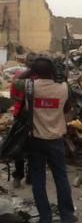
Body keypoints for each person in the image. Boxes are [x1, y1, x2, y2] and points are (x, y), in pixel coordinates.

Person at [15, 57, 77, 223]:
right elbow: (67, 108)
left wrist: (30, 71)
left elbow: (16, 81)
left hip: (36, 140)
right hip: (56, 140)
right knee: (61, 178)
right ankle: (67, 215)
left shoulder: (29, 87)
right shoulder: (64, 87)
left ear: (34, 73)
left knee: (38, 179)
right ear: (52, 71)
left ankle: (45, 217)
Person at [10, 52, 37, 188]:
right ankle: (22, 175)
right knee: (23, 148)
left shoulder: (21, 76)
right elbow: (13, 94)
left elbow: (12, 96)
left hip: (26, 116)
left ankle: (25, 175)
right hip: (26, 117)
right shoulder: (35, 78)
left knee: (23, 147)